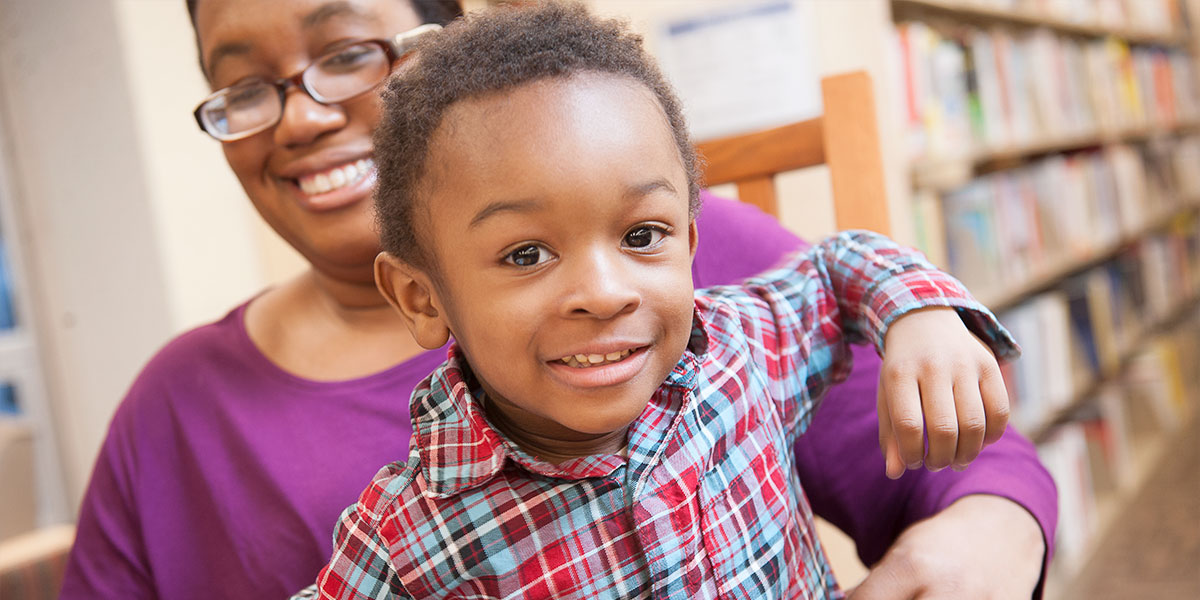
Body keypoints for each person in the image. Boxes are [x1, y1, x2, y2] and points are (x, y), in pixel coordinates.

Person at [59, 0, 1054, 598]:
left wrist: (927, 323)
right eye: (242, 87)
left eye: (347, 50)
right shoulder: (189, 418)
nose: (303, 117)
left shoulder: (715, 305)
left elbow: (955, 446)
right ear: (420, 298)